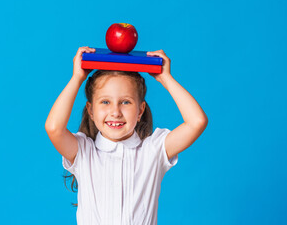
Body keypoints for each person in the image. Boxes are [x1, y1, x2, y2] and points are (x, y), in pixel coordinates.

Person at [45, 46, 208, 225]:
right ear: (91, 110)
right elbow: (54, 128)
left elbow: (196, 122)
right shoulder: (84, 153)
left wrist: (166, 78)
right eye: (105, 102)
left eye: (126, 102)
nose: (115, 112)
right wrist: (77, 78)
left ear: (140, 110)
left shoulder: (153, 151)